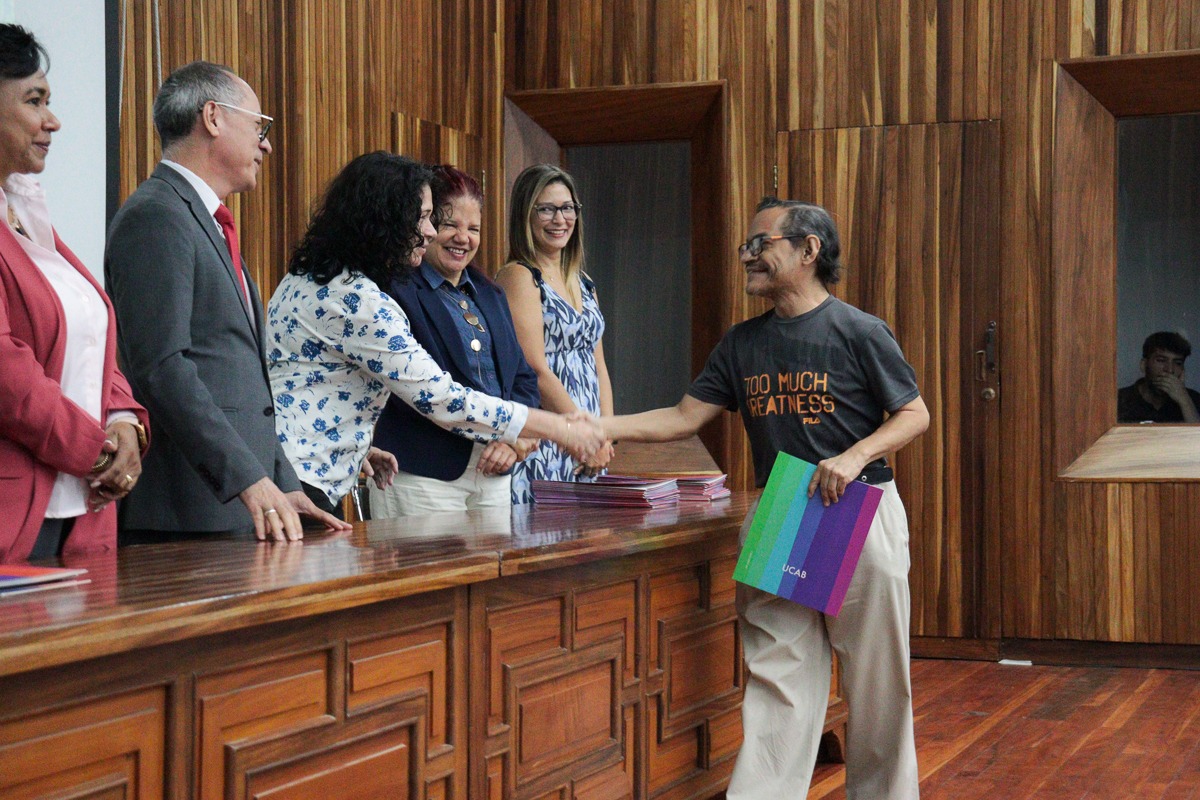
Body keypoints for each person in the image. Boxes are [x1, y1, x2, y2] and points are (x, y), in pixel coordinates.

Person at [599, 198, 929, 799]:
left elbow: (914, 414)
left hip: (859, 509)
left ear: (809, 250)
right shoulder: (741, 343)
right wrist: (599, 426)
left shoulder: (860, 331)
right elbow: (683, 417)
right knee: (777, 681)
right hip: (782, 511)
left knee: (877, 684)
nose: (748, 256)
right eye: (746, 247)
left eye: (761, 244)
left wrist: (853, 456)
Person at [267, 152, 605, 516]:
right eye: (425, 218)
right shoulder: (357, 300)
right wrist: (557, 427)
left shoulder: (311, 278)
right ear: (385, 220)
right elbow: (443, 399)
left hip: (291, 470)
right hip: (306, 481)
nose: (429, 232)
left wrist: (357, 447)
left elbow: (313, 384)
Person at [105, 61, 346, 543]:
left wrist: (284, 483)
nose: (266, 145)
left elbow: (245, 383)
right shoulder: (157, 216)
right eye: (259, 126)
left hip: (240, 506)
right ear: (213, 118)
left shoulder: (206, 220)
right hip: (188, 514)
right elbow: (162, 367)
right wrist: (246, 478)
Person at [0, 24, 149, 562]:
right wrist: (97, 451)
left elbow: (89, 337)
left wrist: (124, 419)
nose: (53, 120)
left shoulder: (27, 213)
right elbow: (7, 373)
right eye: (34, 100)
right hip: (14, 516)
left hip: (82, 514)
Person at [367, 164, 540, 516]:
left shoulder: (491, 294)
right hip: (421, 474)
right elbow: (411, 389)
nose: (463, 238)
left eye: (473, 229)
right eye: (450, 225)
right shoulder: (395, 289)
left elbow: (522, 378)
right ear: (426, 226)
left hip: (493, 471)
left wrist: (513, 440)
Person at [496, 164, 614, 504]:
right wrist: (579, 435)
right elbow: (535, 369)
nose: (560, 219)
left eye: (567, 208)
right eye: (546, 209)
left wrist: (605, 434)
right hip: (549, 438)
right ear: (525, 215)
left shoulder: (584, 281)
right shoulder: (519, 276)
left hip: (589, 444)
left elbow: (599, 365)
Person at [1117, 331, 1200, 423]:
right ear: (1144, 365)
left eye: (1178, 363)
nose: (1170, 370)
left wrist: (1184, 401)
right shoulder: (1119, 400)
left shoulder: (1193, 400)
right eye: (1161, 360)